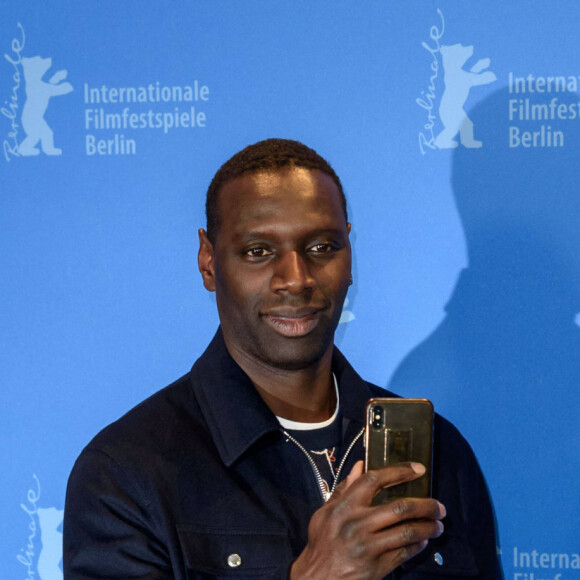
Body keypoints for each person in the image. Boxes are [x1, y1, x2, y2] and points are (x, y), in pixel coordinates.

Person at [63, 139, 502, 579]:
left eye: (322, 247)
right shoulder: (125, 473)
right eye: (258, 251)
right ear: (209, 261)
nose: (296, 279)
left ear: (349, 252)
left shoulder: (441, 454)